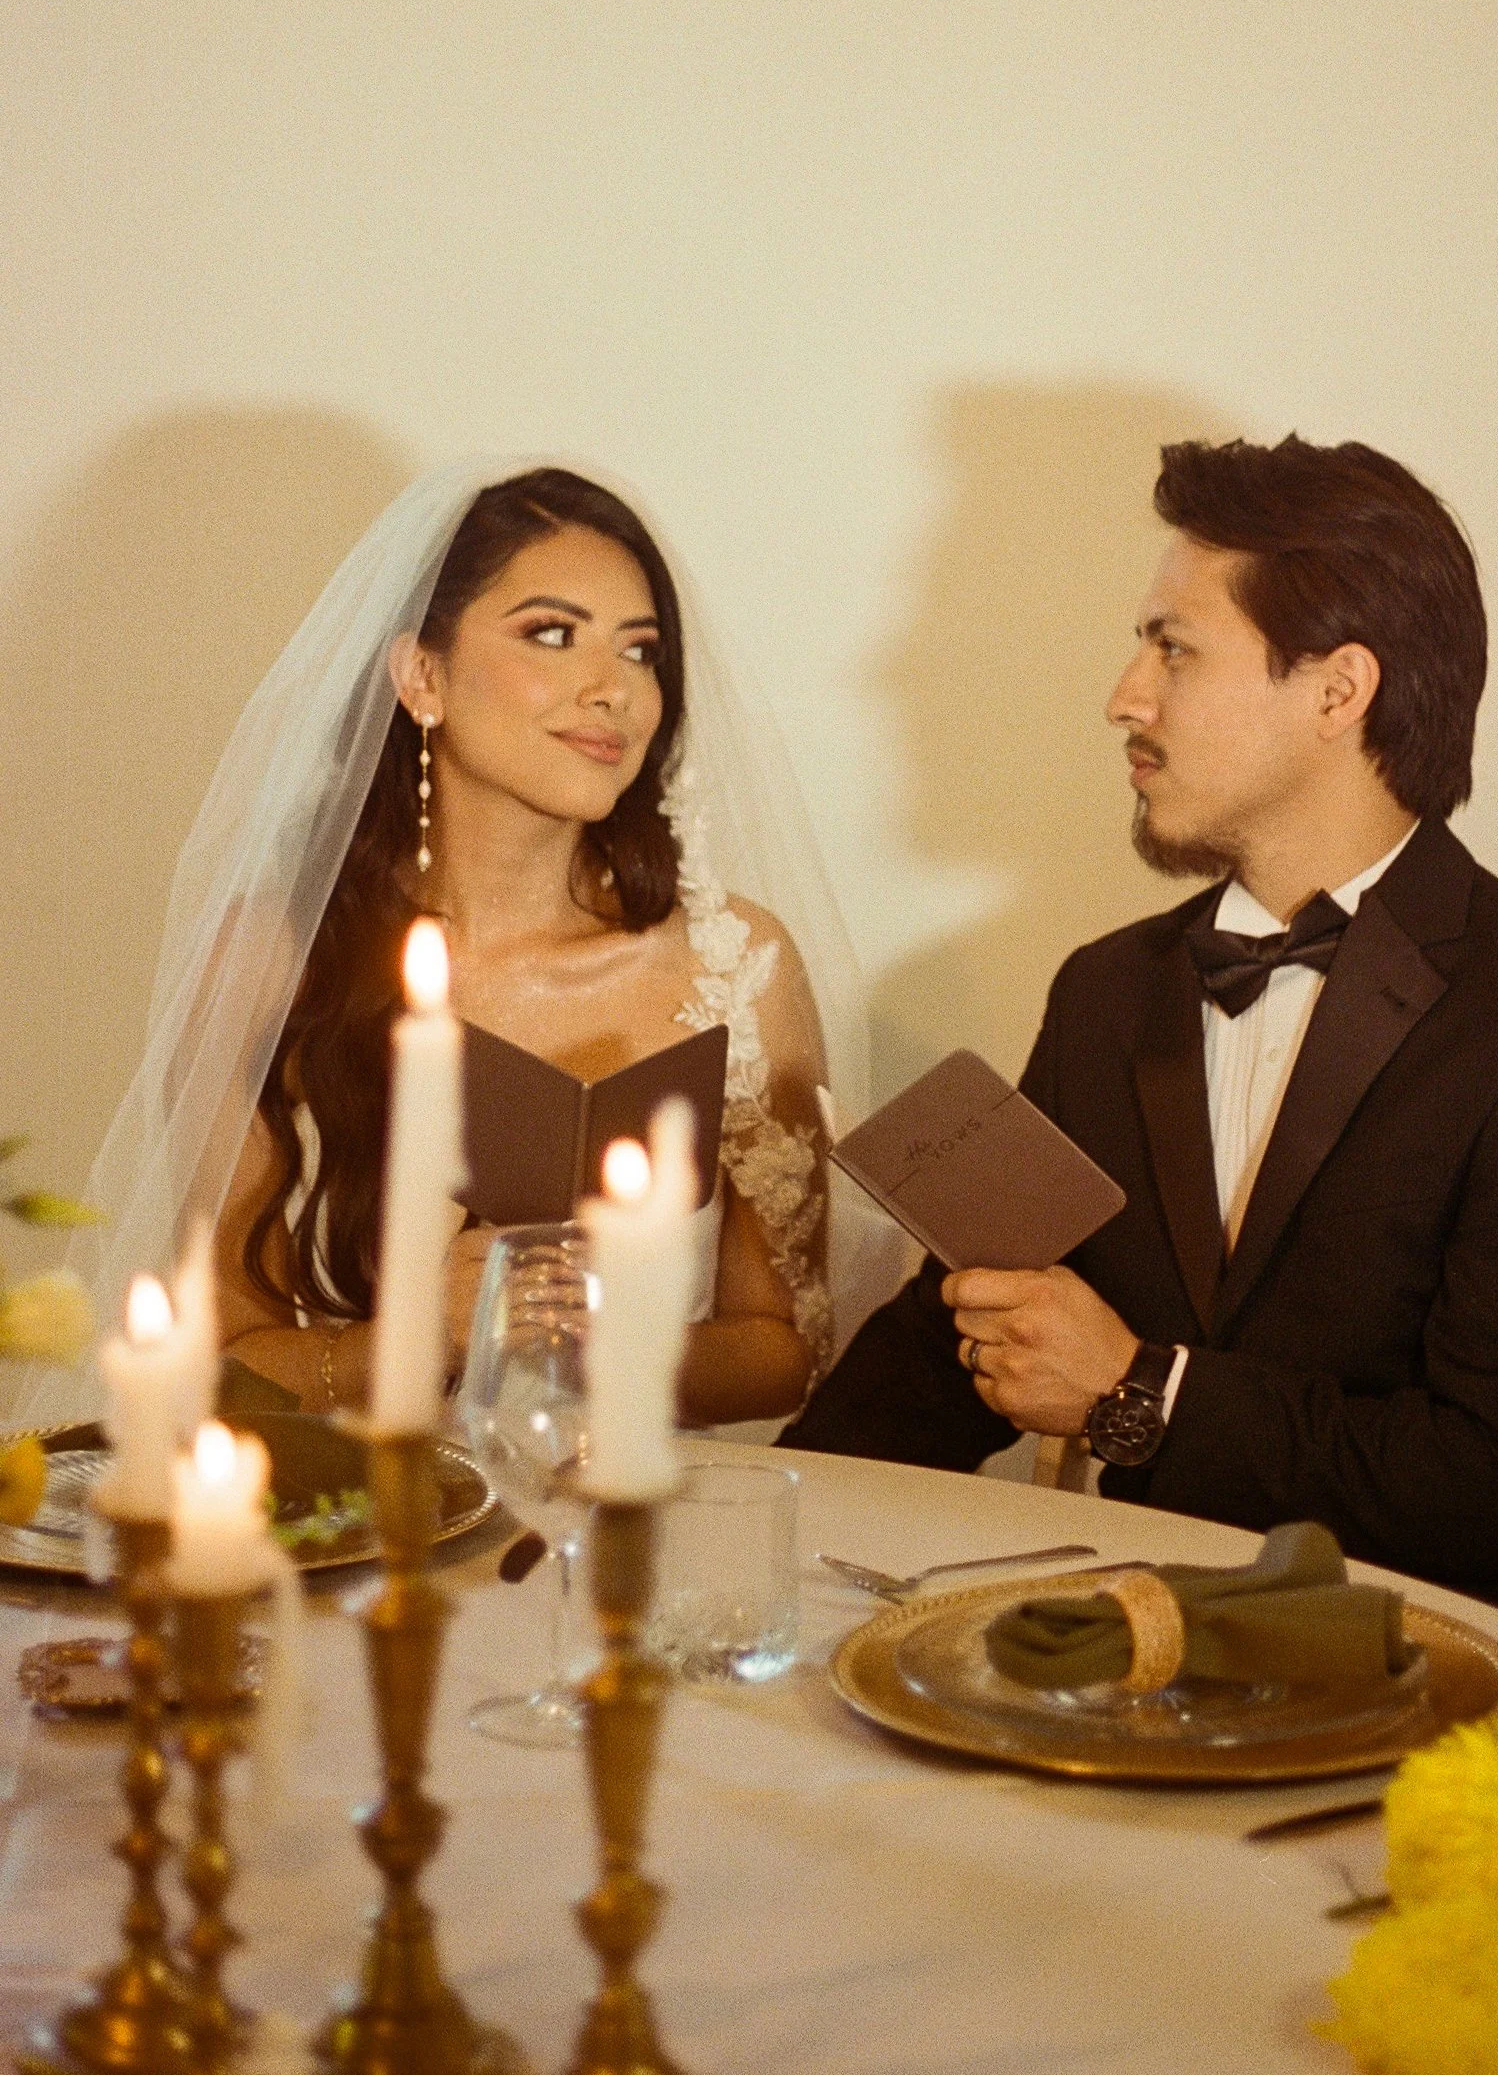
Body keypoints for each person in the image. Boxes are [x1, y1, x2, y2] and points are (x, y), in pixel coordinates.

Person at [788, 436, 1498, 1682]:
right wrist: (744, 1514)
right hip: (1166, 1669)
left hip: (1478, 1695)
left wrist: (1136, 1389)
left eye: (1172, 646)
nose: (1124, 694)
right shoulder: (1108, 990)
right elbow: (960, 1333)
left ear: (1336, 691)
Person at [17, 463, 865, 1433]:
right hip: (352, 1521)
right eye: (553, 632)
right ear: (422, 674)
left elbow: (786, 1347)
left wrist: (602, 1339)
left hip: (632, 1519)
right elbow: (220, 1361)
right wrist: (429, 1333)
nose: (614, 689)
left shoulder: (733, 962)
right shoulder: (273, 957)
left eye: (641, 651)